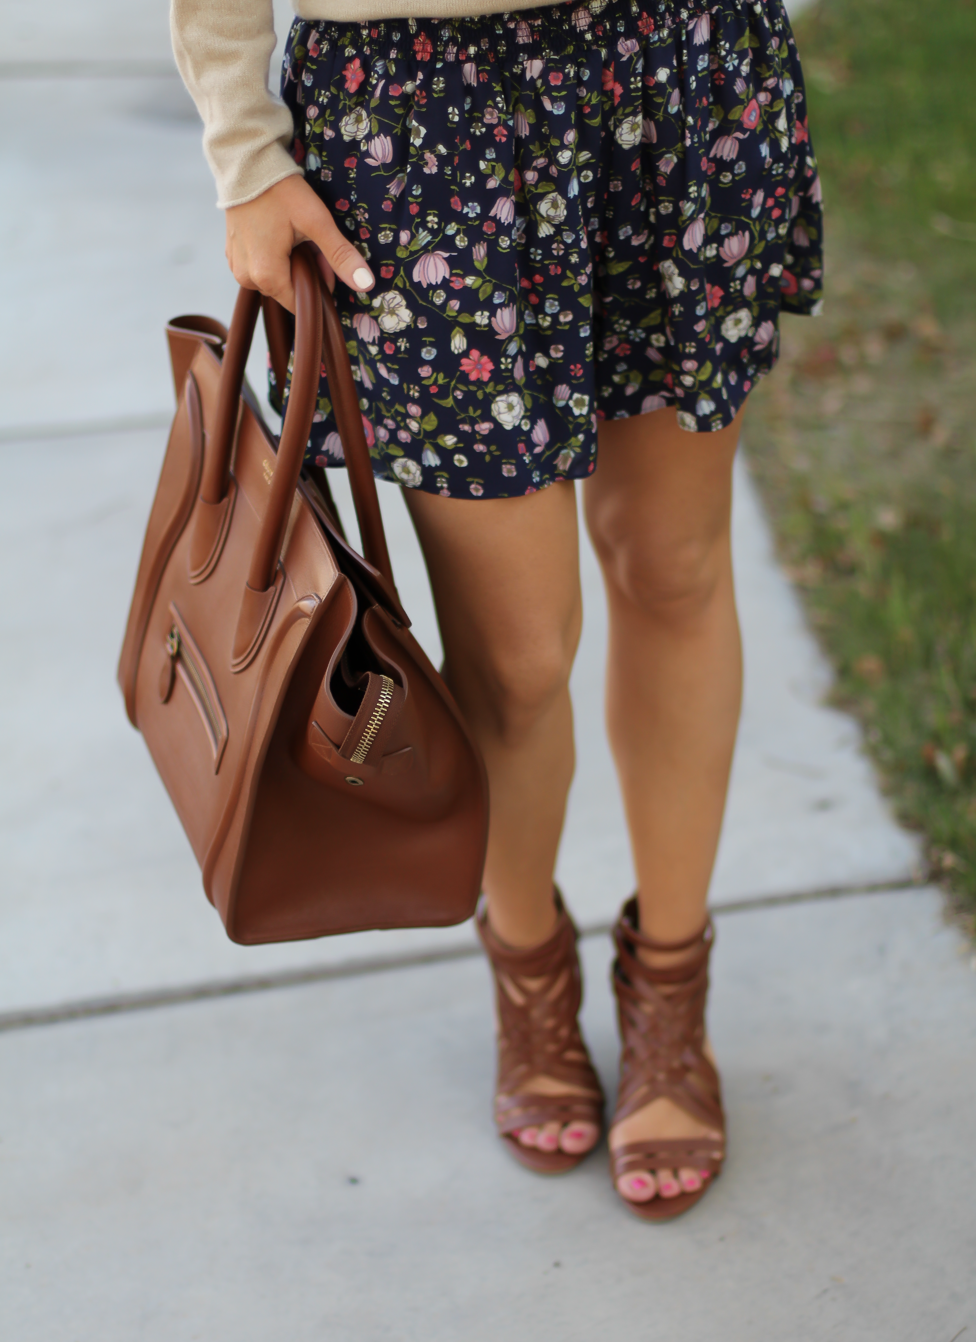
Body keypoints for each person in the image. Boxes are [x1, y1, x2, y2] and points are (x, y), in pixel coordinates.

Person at [172, 0, 823, 1219]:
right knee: (515, 654)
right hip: (424, 108)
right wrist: (244, 144)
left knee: (672, 568)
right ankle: (527, 970)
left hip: (674, 68)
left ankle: (670, 989)